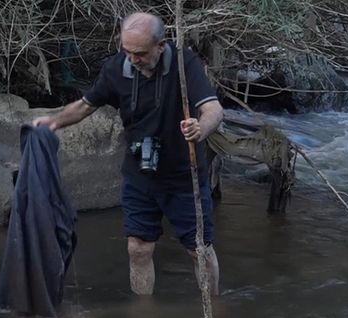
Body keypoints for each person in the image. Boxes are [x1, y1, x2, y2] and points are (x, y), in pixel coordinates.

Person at [32, 12, 223, 296]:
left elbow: (213, 110)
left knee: (199, 249)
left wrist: (200, 128)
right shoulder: (116, 69)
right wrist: (54, 121)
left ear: (161, 46)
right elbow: (85, 106)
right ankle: (143, 316)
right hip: (139, 175)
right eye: (127, 51)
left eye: (140, 53)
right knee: (138, 248)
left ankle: (214, 307)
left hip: (184, 176)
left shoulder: (185, 65)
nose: (133, 59)